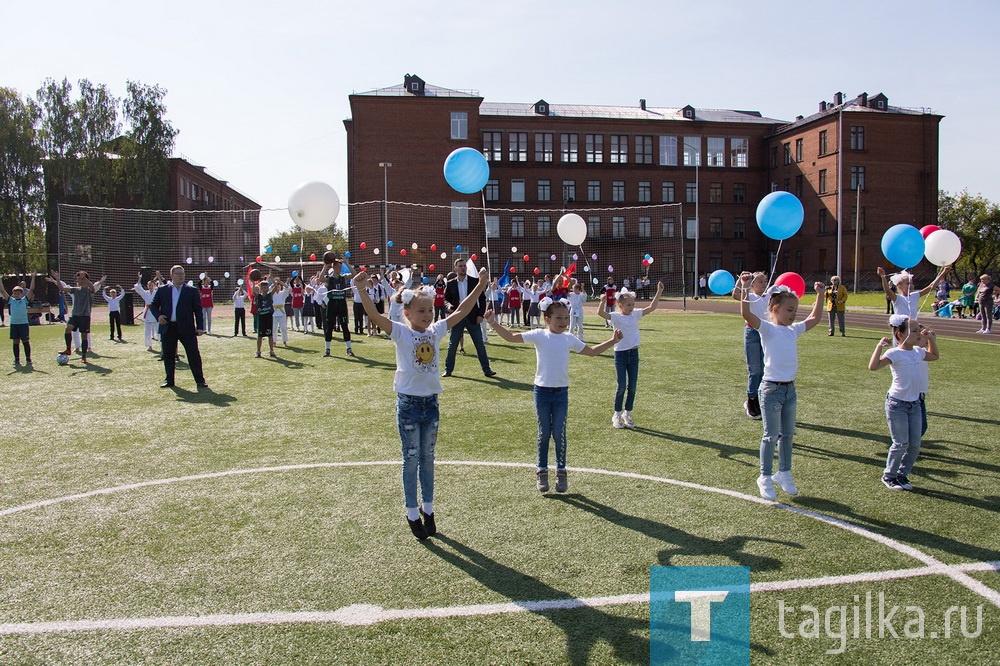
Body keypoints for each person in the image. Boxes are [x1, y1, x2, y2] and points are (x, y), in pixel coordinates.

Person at [352, 267, 489, 540]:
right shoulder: (401, 333)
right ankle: (412, 512)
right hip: (409, 406)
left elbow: (462, 310)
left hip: (431, 405)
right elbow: (374, 315)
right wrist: (361, 289)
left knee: (428, 459)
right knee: (411, 459)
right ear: (407, 313)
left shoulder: (436, 330)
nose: (427, 316)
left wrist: (481, 285)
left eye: (429, 310)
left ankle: (429, 508)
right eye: (421, 311)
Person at [486, 298, 620, 493]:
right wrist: (493, 322)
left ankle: (561, 471)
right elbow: (511, 337)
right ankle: (541, 471)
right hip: (541, 391)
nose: (564, 322)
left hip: (561, 393)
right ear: (547, 319)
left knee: (559, 433)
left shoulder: (569, 339)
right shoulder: (540, 335)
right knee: (544, 433)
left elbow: (591, 352)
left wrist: (613, 341)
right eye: (559, 318)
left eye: (566, 318)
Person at [740, 280, 825, 501]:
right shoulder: (768, 329)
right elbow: (747, 315)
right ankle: (765, 477)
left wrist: (820, 295)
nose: (793, 314)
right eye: (789, 310)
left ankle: (784, 472)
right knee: (770, 436)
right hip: (770, 390)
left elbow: (815, 319)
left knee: (787, 435)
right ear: (775, 309)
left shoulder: (793, 330)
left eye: (795, 310)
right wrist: (744, 289)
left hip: (790, 390)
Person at [868, 315, 939, 491]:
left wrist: (931, 339)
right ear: (900, 335)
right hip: (897, 404)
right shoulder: (894, 353)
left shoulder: (918, 352)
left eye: (918, 330)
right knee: (900, 443)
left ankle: (902, 474)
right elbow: (874, 366)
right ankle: (889, 475)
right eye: (914, 331)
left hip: (914, 404)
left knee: (915, 445)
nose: (918, 333)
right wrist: (879, 347)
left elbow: (935, 356)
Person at [598, 281, 664, 429]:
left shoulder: (635, 314)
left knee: (632, 386)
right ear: (620, 305)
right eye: (629, 305)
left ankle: (627, 414)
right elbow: (601, 313)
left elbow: (651, 307)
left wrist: (659, 291)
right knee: (621, 385)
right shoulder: (615, 316)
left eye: (633, 304)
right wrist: (602, 302)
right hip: (620, 355)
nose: (632, 307)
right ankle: (617, 414)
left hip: (634, 354)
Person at [149, 265, 207, 389]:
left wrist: (200, 326)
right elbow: (153, 305)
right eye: (178, 274)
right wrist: (158, 317)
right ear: (171, 276)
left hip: (187, 328)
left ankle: (200, 380)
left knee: (193, 354)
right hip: (168, 327)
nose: (181, 276)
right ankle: (169, 380)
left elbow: (198, 309)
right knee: (168, 355)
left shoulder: (191, 290)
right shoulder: (163, 290)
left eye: (182, 273)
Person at [442, 258, 496, 378]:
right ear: (455, 268)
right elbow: (445, 299)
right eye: (460, 266)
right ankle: (448, 370)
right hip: (457, 316)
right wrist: (449, 306)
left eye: (464, 266)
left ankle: (487, 370)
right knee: (453, 344)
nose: (463, 268)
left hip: (472, 317)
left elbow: (482, 298)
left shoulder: (474, 281)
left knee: (479, 345)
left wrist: (480, 315)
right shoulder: (450, 284)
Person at [732, 271, 768, 419]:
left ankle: (761, 398)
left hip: (766, 333)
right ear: (752, 285)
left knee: (765, 368)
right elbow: (735, 294)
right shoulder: (750, 296)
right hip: (752, 333)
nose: (764, 284)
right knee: (755, 369)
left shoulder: (770, 296)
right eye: (760, 282)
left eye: (765, 281)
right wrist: (741, 282)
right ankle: (751, 400)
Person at [47, 270, 103, 364]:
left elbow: (93, 288)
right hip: (75, 315)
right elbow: (62, 288)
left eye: (80, 278)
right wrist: (57, 278)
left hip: (84, 316)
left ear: (85, 280)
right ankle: (68, 349)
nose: (78, 280)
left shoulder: (89, 290)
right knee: (68, 329)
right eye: (78, 278)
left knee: (84, 336)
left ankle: (84, 356)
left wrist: (84, 278)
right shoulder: (75, 289)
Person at [314, 257, 355, 357]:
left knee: (345, 326)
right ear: (334, 267)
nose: (340, 268)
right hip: (332, 304)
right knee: (330, 327)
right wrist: (325, 265)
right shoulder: (329, 279)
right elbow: (320, 279)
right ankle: (327, 349)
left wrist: (347, 263)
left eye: (341, 266)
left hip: (341, 304)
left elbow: (354, 274)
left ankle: (349, 349)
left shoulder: (343, 277)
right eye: (338, 266)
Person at [877, 265, 948, 321]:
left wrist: (943, 272)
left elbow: (931, 287)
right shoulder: (897, 298)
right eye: (907, 284)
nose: (910, 286)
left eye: (912, 283)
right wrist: (883, 276)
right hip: (902, 327)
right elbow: (887, 290)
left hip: (913, 326)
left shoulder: (915, 295)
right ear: (899, 286)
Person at [0, 275, 35, 367]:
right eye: (15, 293)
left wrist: (33, 277)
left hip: (23, 324)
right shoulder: (11, 300)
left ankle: (28, 358)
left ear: (21, 294)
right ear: (13, 294)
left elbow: (31, 290)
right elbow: (3, 290)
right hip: (14, 324)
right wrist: (0, 280)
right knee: (15, 342)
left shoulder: (24, 300)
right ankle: (16, 359)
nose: (16, 295)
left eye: (18, 293)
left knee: (25, 341)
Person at [135, 273, 160, 350]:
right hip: (148, 312)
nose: (150, 286)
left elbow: (162, 287)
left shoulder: (157, 292)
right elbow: (138, 288)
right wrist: (139, 279)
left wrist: (159, 277)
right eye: (149, 285)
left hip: (156, 311)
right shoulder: (145, 293)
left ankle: (162, 345)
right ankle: (149, 346)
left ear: (155, 286)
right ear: (147, 286)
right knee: (147, 331)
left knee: (158, 331)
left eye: (152, 285)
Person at [254, 278, 277, 358]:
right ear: (261, 288)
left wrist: (273, 280)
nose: (266, 289)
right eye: (264, 287)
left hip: (268, 316)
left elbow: (275, 287)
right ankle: (258, 351)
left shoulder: (269, 295)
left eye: (267, 287)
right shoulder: (259, 296)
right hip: (261, 317)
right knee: (260, 336)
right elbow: (254, 291)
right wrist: (254, 281)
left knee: (270, 335)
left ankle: (271, 351)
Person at [271, 276, 290, 346]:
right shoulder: (272, 294)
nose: (277, 288)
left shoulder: (283, 293)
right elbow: (270, 289)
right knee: (274, 329)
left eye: (279, 286)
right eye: (277, 287)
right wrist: (274, 282)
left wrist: (280, 282)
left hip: (282, 312)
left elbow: (287, 287)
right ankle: (274, 341)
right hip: (274, 312)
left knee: (283, 328)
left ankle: (285, 341)